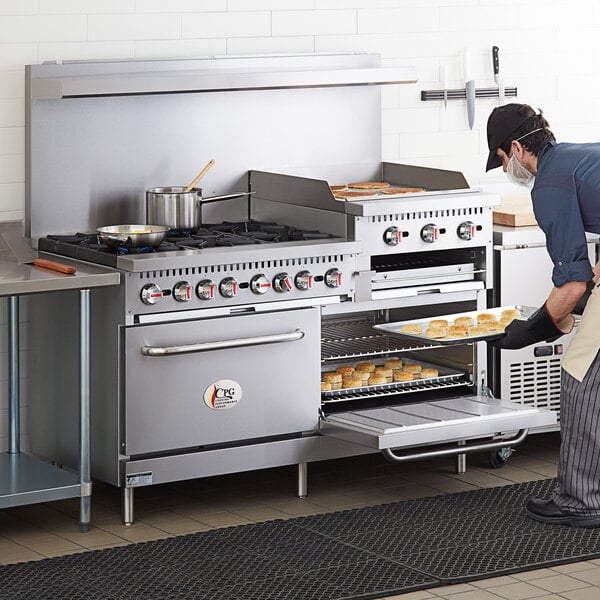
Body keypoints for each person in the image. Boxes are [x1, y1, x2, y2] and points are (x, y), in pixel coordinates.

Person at [485, 103, 600, 527]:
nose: (503, 169)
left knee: (580, 374)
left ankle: (581, 502)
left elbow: (572, 283)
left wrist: (531, 331)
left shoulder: (549, 184)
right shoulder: (579, 155)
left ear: (516, 147)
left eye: (500, 158)